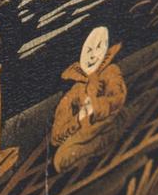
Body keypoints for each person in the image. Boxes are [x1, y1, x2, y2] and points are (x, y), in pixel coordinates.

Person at [50, 22, 128, 174]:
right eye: (89, 50)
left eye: (99, 47)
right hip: (83, 135)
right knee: (60, 159)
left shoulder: (110, 72)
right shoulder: (76, 89)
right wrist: (79, 118)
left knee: (119, 121)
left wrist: (94, 100)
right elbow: (56, 136)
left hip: (107, 125)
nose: (93, 55)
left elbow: (117, 100)